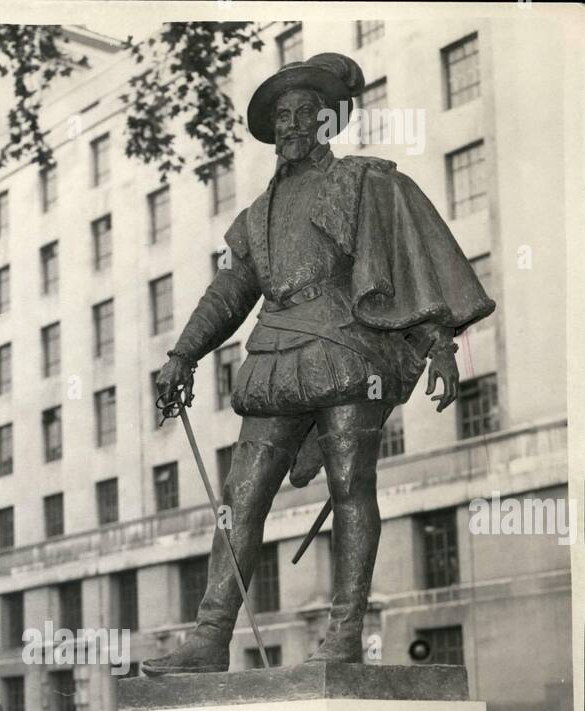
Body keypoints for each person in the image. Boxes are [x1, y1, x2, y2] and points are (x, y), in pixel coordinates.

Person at [144, 51, 494, 674]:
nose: (293, 124)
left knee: (351, 484)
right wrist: (183, 354)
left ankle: (344, 632)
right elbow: (230, 292)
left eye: (307, 112)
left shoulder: (365, 182)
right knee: (241, 496)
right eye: (283, 115)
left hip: (346, 349)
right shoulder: (256, 214)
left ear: (327, 121)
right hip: (275, 354)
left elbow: (415, 259)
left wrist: (441, 342)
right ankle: (209, 635)